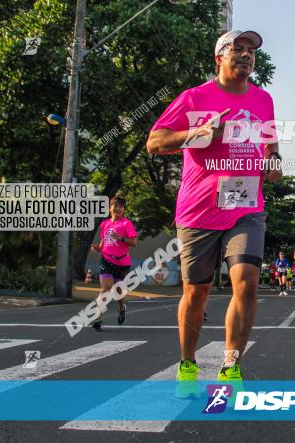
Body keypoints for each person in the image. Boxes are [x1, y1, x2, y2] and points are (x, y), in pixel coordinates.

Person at [146, 29, 281, 389]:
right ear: (219, 57)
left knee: (246, 283)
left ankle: (231, 364)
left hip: (246, 206)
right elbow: (155, 141)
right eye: (237, 48)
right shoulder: (194, 98)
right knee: (196, 291)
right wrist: (201, 132)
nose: (246, 55)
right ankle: (188, 363)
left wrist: (273, 163)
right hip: (199, 208)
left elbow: (271, 147)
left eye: (251, 50)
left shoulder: (263, 100)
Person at [90, 196, 138, 330]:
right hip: (106, 260)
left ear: (123, 209)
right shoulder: (104, 224)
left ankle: (122, 308)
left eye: (121, 206)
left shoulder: (126, 224)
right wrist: (97, 248)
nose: (117, 208)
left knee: (118, 292)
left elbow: (134, 242)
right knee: (105, 288)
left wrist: (121, 238)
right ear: (110, 208)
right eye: (115, 206)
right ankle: (98, 317)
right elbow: (103, 243)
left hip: (121, 262)